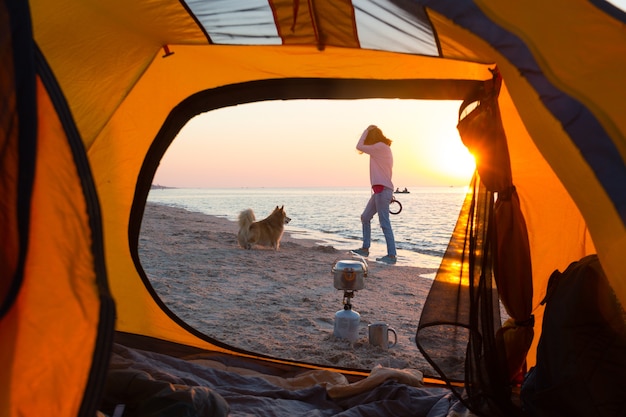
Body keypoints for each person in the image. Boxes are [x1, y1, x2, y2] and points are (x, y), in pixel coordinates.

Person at [351, 125, 397, 264]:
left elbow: (359, 146)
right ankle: (365, 248)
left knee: (384, 223)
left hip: (383, 190)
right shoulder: (381, 148)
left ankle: (391, 256)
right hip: (380, 191)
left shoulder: (380, 147)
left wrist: (366, 130)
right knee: (365, 217)